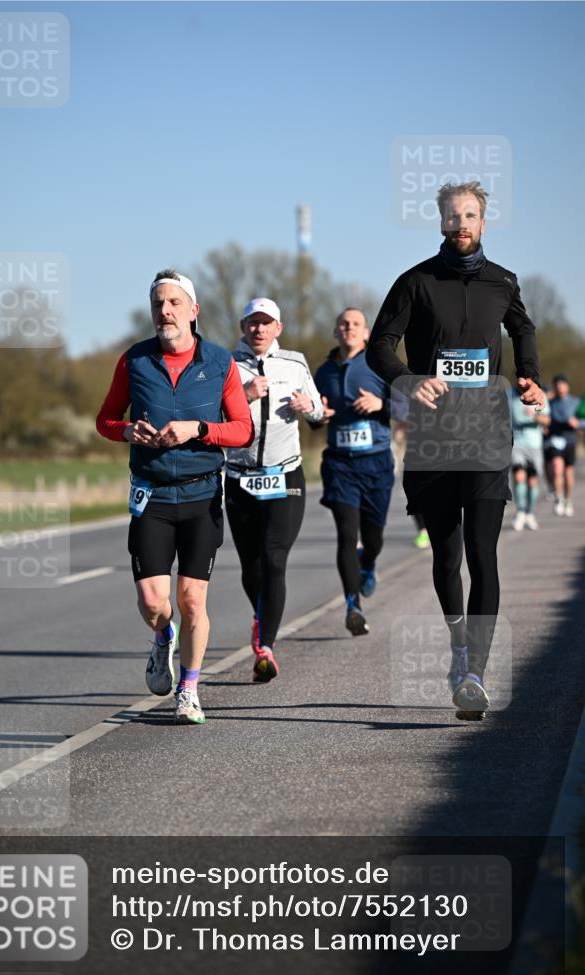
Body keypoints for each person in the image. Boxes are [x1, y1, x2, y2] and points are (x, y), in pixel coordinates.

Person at [366, 180, 544, 719]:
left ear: (483, 222)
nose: (461, 223)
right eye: (452, 215)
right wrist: (407, 379)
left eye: (470, 215)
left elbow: (525, 329)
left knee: (482, 556)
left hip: (488, 436)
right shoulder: (415, 282)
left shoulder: (503, 282)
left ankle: (474, 673)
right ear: (441, 222)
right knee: (446, 558)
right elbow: (379, 345)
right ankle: (459, 646)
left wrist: (530, 377)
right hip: (434, 442)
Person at [96, 270, 253, 725]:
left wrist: (199, 430)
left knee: (192, 601)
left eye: (173, 303)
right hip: (151, 494)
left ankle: (188, 689)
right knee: (152, 601)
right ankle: (163, 635)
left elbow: (243, 430)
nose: (164, 311)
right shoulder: (134, 361)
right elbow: (105, 418)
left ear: (193, 310)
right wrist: (128, 430)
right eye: (158, 304)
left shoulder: (220, 362)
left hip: (202, 494)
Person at [225, 298, 324, 682]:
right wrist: (243, 395)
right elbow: (211, 416)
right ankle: (261, 616)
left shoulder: (295, 363)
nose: (259, 330)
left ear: (278, 329)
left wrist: (308, 406)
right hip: (239, 476)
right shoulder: (226, 366)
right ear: (242, 326)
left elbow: (318, 410)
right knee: (250, 565)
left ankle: (265, 646)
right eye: (253, 323)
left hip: (285, 475)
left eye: (266, 324)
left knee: (274, 557)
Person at [313, 308, 394, 636]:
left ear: (366, 333)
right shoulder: (323, 372)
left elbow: (409, 405)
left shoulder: (380, 365)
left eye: (355, 324)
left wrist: (381, 405)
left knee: (372, 538)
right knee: (347, 534)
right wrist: (317, 415)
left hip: (376, 463)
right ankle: (352, 606)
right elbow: (313, 416)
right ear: (336, 332)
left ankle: (369, 563)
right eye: (343, 324)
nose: (348, 328)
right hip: (340, 464)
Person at [509, 384, 551, 530]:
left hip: (534, 445)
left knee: (532, 481)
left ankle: (530, 513)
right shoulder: (510, 394)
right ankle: (520, 511)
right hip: (517, 444)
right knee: (518, 477)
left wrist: (533, 415)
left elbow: (547, 420)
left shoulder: (540, 394)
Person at [545, 374, 580, 517]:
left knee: (568, 473)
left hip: (570, 441)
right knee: (557, 469)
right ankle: (558, 499)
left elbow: (582, 421)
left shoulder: (576, 402)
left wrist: (578, 423)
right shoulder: (550, 402)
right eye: (557, 385)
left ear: (567, 386)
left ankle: (568, 499)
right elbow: (544, 417)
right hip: (555, 440)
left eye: (562, 384)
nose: (560, 387)